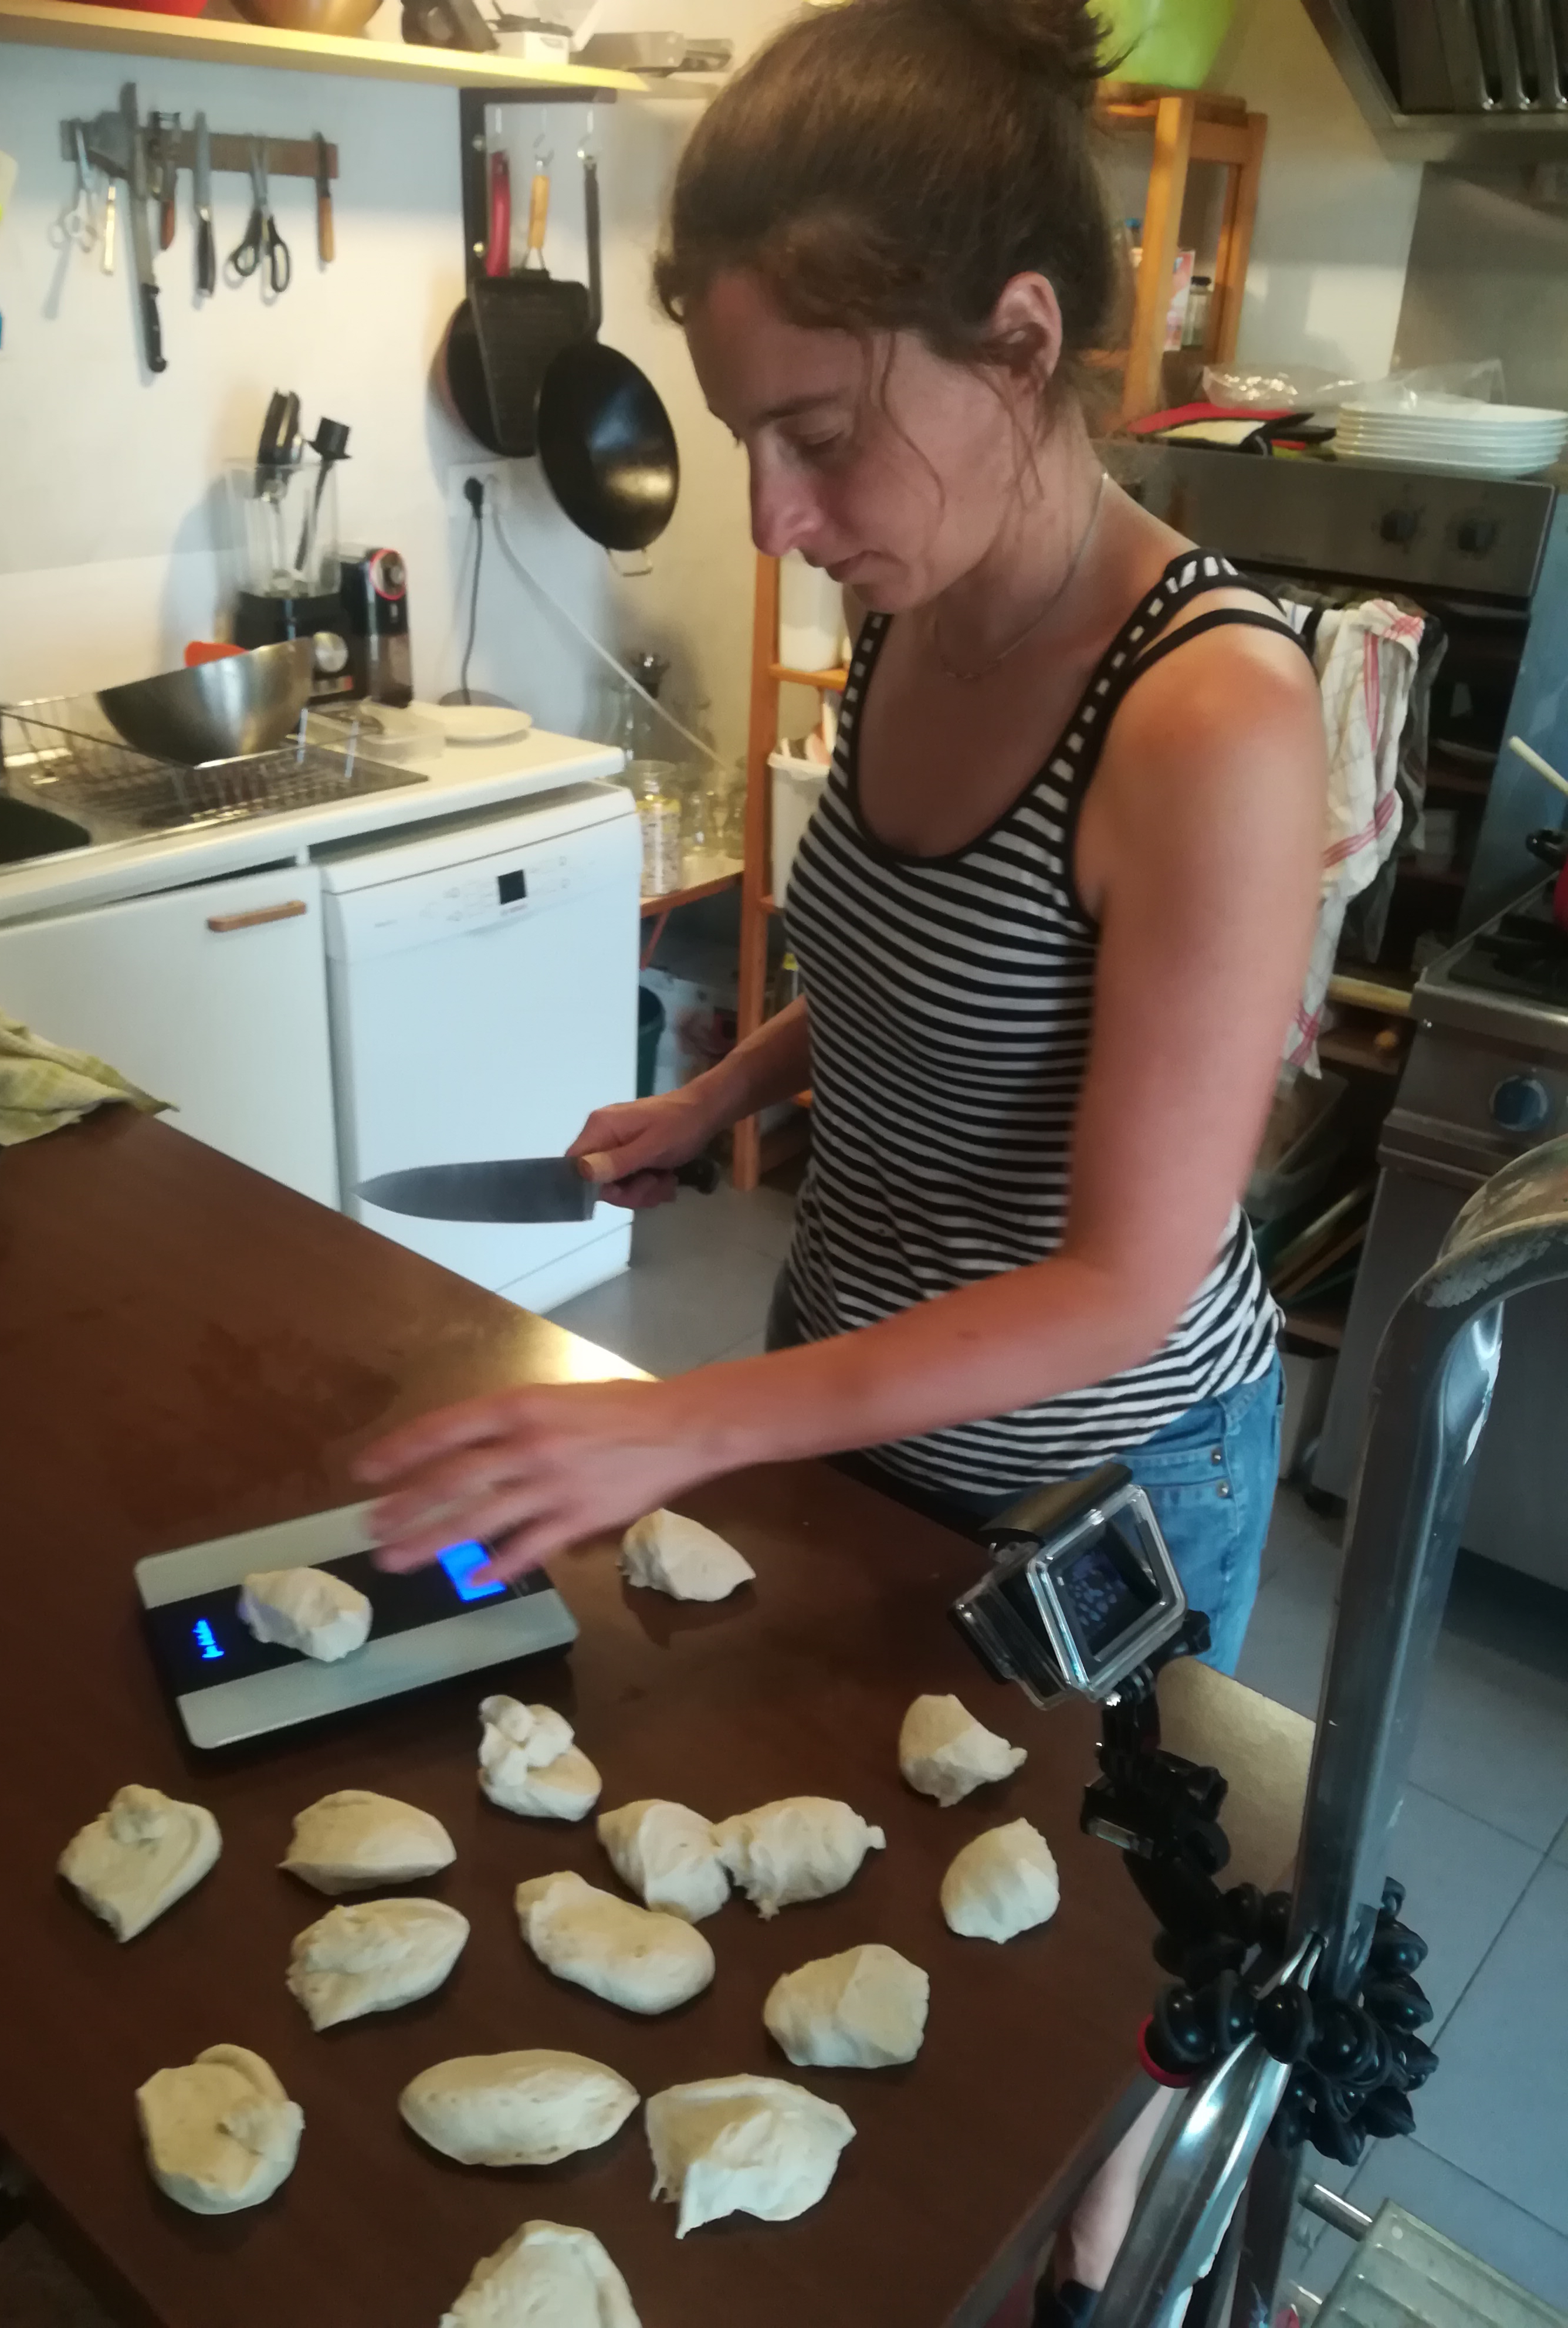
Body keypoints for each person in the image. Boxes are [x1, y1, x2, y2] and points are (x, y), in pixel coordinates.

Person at [360, 0, 1325, 2307]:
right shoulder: (919, 605)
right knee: (846, 1930)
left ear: (1020, 346)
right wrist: (726, 1091)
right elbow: (928, 958)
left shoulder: (1209, 713)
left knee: (1044, 2030)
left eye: (816, 430)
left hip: (1086, 1486)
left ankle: (1113, 2249)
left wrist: (683, 1420)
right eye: (743, 438)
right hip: (855, 1415)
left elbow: (1122, 1275)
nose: (775, 516)